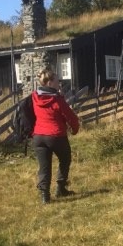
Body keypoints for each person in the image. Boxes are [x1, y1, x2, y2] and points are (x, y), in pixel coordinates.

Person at [32, 68, 80, 204]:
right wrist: (75, 129)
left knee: (44, 166)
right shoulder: (57, 100)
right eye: (57, 81)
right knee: (65, 159)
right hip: (56, 135)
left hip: (38, 136)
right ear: (50, 83)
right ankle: (60, 188)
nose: (59, 83)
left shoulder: (34, 96)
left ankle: (44, 196)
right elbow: (71, 117)